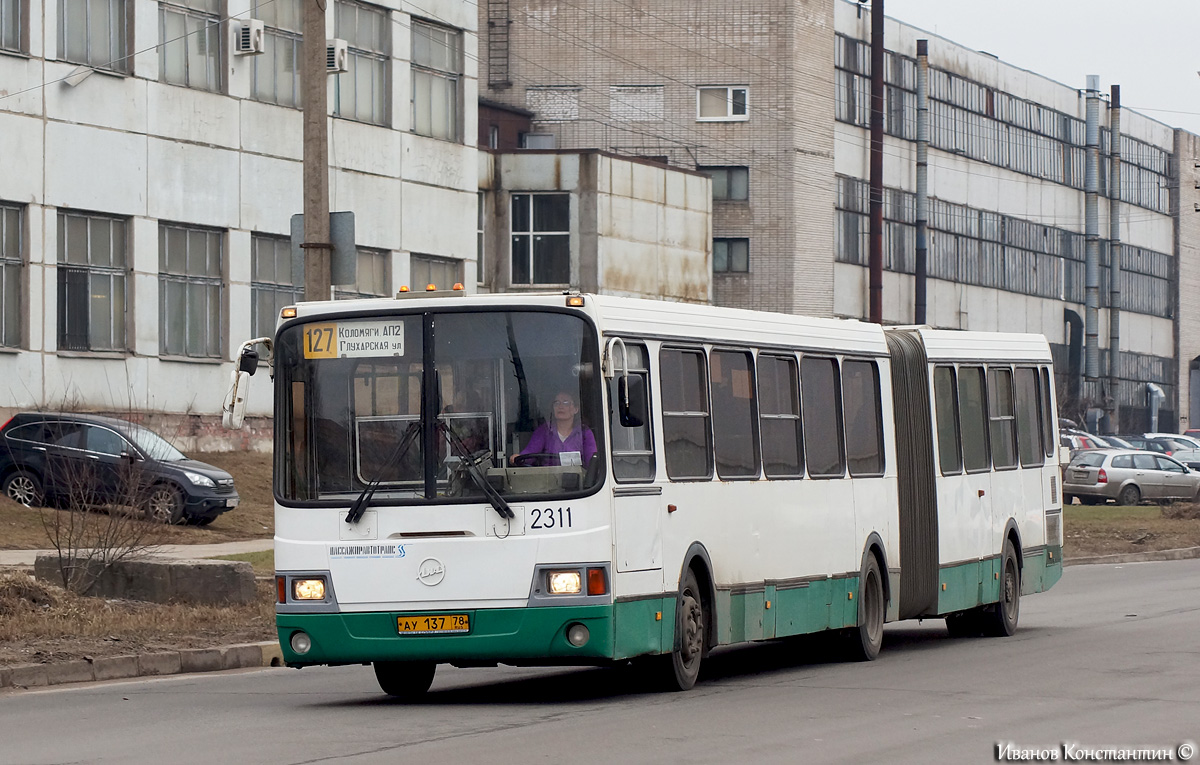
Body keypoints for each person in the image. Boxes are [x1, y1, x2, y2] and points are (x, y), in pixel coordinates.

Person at [511, 390, 596, 467]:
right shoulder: (544, 431)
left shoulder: (584, 433)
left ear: (576, 409)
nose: (560, 406)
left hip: (579, 482)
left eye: (566, 403)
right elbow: (530, 453)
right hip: (548, 481)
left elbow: (592, 463)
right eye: (557, 403)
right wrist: (519, 458)